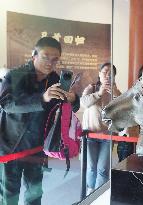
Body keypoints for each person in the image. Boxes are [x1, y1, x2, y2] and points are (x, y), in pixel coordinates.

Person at [0, 37, 79, 205]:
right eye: (45, 56)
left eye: (55, 59)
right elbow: (7, 104)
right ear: (33, 55)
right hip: (11, 146)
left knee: (35, 194)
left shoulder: (55, 80)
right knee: (9, 195)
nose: (50, 62)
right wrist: (42, 97)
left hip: (38, 148)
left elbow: (63, 109)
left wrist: (72, 99)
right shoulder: (15, 75)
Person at [80, 63, 121, 194]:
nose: (108, 75)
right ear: (99, 74)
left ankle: (98, 196)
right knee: (91, 167)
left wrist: (115, 93)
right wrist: (99, 93)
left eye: (111, 73)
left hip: (107, 136)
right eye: (105, 72)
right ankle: (90, 193)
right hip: (90, 135)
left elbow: (123, 109)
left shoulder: (115, 91)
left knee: (103, 168)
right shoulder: (91, 88)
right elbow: (83, 103)